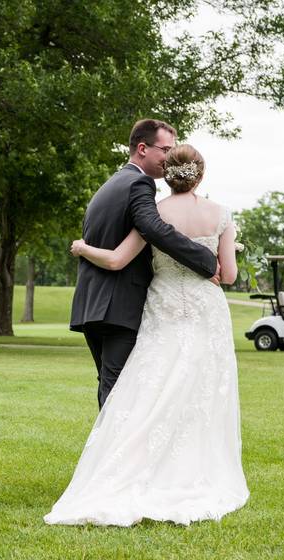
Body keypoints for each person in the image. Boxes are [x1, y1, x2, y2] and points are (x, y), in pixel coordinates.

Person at [43, 143, 249, 527]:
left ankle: (133, 466)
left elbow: (118, 259)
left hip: (164, 306)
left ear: (167, 175)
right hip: (206, 309)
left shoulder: (153, 214)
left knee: (151, 386)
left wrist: (83, 247)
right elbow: (230, 275)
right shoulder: (221, 214)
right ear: (201, 175)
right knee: (204, 389)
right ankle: (194, 470)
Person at [68, 119, 219, 408]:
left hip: (93, 304)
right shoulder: (139, 183)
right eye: (166, 149)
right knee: (119, 395)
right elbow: (154, 228)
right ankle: (109, 453)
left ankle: (106, 452)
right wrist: (205, 260)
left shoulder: (108, 186)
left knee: (111, 388)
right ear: (142, 148)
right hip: (119, 305)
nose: (170, 157)